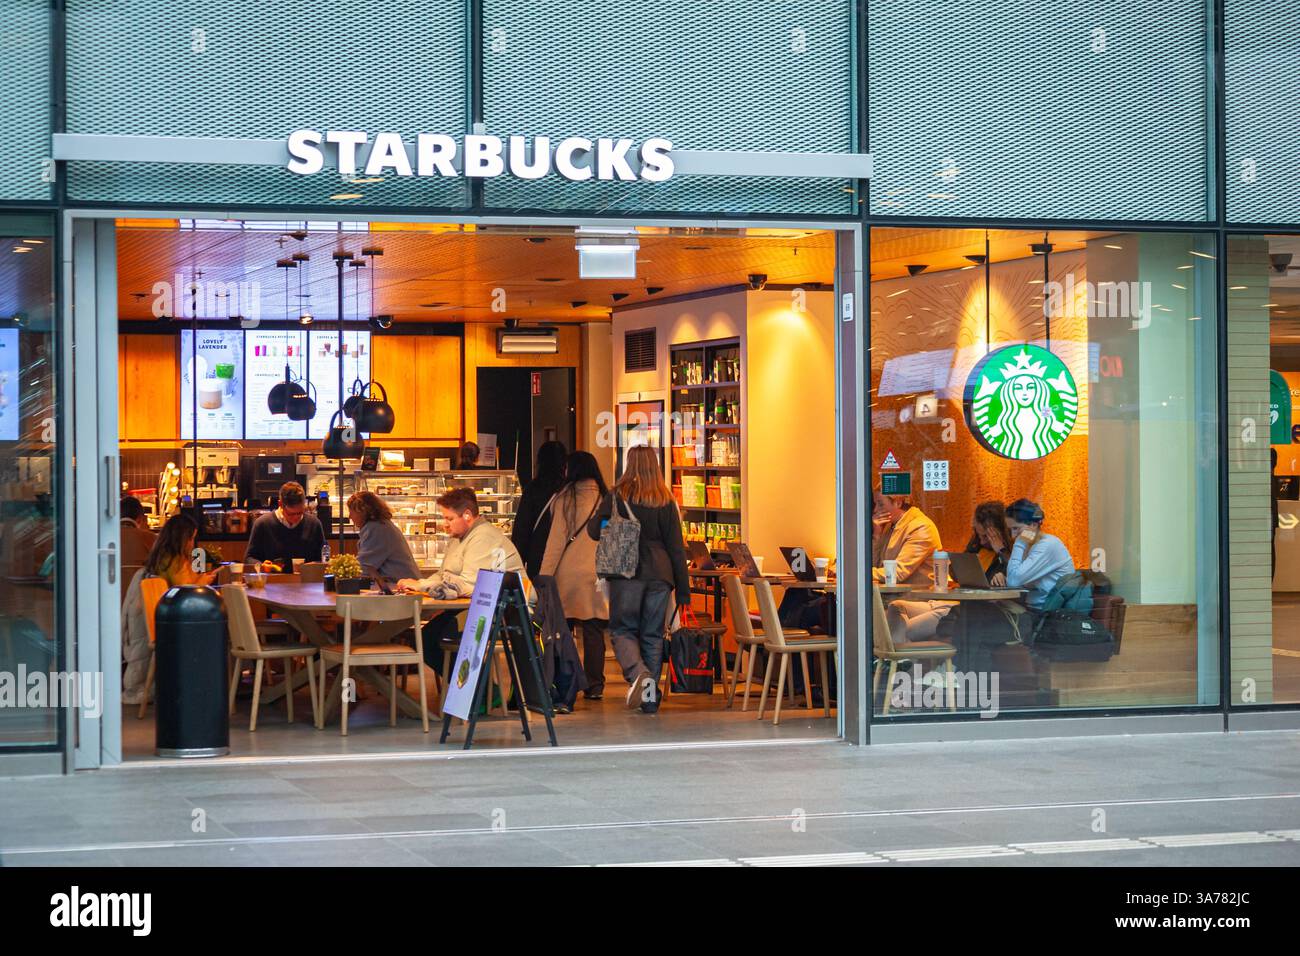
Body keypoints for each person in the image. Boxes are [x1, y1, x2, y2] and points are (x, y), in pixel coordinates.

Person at [591, 445, 689, 715]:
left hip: (627, 575)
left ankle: (639, 674)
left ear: (629, 464)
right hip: (661, 575)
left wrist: (609, 525)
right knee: (653, 635)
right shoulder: (665, 499)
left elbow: (592, 532)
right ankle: (649, 698)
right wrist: (683, 592)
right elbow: (676, 547)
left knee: (622, 630)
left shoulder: (616, 495)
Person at [396, 487, 525, 670]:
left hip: (504, 613)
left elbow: (467, 585)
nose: (445, 524)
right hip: (477, 608)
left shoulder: (483, 537)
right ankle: (472, 695)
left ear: (467, 515)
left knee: (429, 640)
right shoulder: (458, 537)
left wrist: (421, 585)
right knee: (426, 638)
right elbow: (443, 574)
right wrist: (418, 585)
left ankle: (481, 695)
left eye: (449, 518)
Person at [121, 513, 217, 704]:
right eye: (191, 538)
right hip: (170, 625)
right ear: (182, 538)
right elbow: (185, 593)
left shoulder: (162, 557)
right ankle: (210, 687)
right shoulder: (174, 562)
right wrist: (205, 579)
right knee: (216, 630)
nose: (192, 543)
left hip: (158, 621)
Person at [538, 451, 609, 700]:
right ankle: (595, 684)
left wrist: (544, 576)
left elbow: (556, 541)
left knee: (562, 629)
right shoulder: (605, 498)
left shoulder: (565, 499)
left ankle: (565, 681)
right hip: (596, 573)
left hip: (567, 573)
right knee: (593, 629)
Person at [511, 440, 567, 579]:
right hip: (564, 555)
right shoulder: (568, 489)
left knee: (542, 596)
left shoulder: (533, 488)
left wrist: (518, 563)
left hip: (537, 554)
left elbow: (522, 529)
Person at [1005, 498, 1074, 611]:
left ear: (1033, 525)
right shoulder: (1031, 545)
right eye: (1010, 530)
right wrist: (1003, 578)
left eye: (1016, 528)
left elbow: (1013, 582)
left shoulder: (1047, 545)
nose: (1013, 536)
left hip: (1047, 615)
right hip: (1036, 610)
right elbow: (1016, 580)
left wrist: (1019, 542)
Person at [246, 481, 326, 572]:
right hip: (273, 582)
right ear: (280, 504)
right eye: (291, 514)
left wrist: (316, 565)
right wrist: (261, 566)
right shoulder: (263, 524)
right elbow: (249, 558)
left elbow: (323, 558)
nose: (296, 517)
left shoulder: (314, 524)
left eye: (300, 513)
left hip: (306, 582)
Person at [348, 490, 419, 582]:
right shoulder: (380, 525)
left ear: (362, 512)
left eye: (352, 512)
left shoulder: (376, 528)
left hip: (403, 587)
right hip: (401, 584)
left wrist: (343, 574)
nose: (350, 516)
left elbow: (364, 565)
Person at [871, 491, 941, 585]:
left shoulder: (921, 528)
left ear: (898, 503)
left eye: (880, 504)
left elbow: (898, 573)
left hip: (914, 596)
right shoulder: (889, 526)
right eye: (875, 504)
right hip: (892, 594)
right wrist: (877, 536)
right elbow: (876, 565)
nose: (875, 510)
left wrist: (863, 574)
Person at [966, 500, 1014, 587]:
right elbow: (957, 574)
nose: (982, 542)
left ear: (1002, 532)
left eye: (986, 536)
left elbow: (1017, 574)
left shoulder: (1017, 549)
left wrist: (1002, 551)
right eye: (979, 535)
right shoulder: (978, 546)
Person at [119, 496, 156, 602]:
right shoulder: (150, 538)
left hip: (112, 594)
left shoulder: (108, 538)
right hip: (139, 599)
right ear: (140, 518)